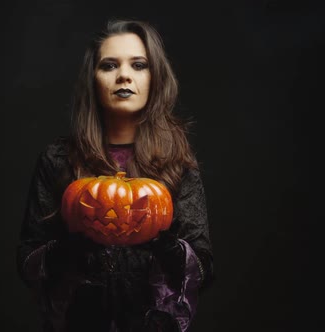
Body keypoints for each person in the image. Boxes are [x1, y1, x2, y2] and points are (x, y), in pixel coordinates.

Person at [16, 19, 214, 332]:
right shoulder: (58, 159)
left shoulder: (177, 161)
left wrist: (166, 245)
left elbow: (202, 268)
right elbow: (28, 263)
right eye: (109, 65)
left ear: (155, 77)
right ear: (92, 79)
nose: (124, 75)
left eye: (138, 65)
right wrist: (67, 249)